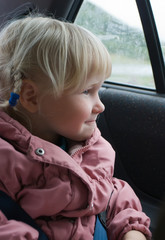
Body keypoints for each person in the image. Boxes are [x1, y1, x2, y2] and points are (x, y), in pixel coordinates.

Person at [0, 14, 151, 240]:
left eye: (99, 90)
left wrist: (132, 229)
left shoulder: (91, 147)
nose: (100, 105)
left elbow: (112, 195)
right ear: (31, 96)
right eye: (87, 91)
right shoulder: (6, 161)